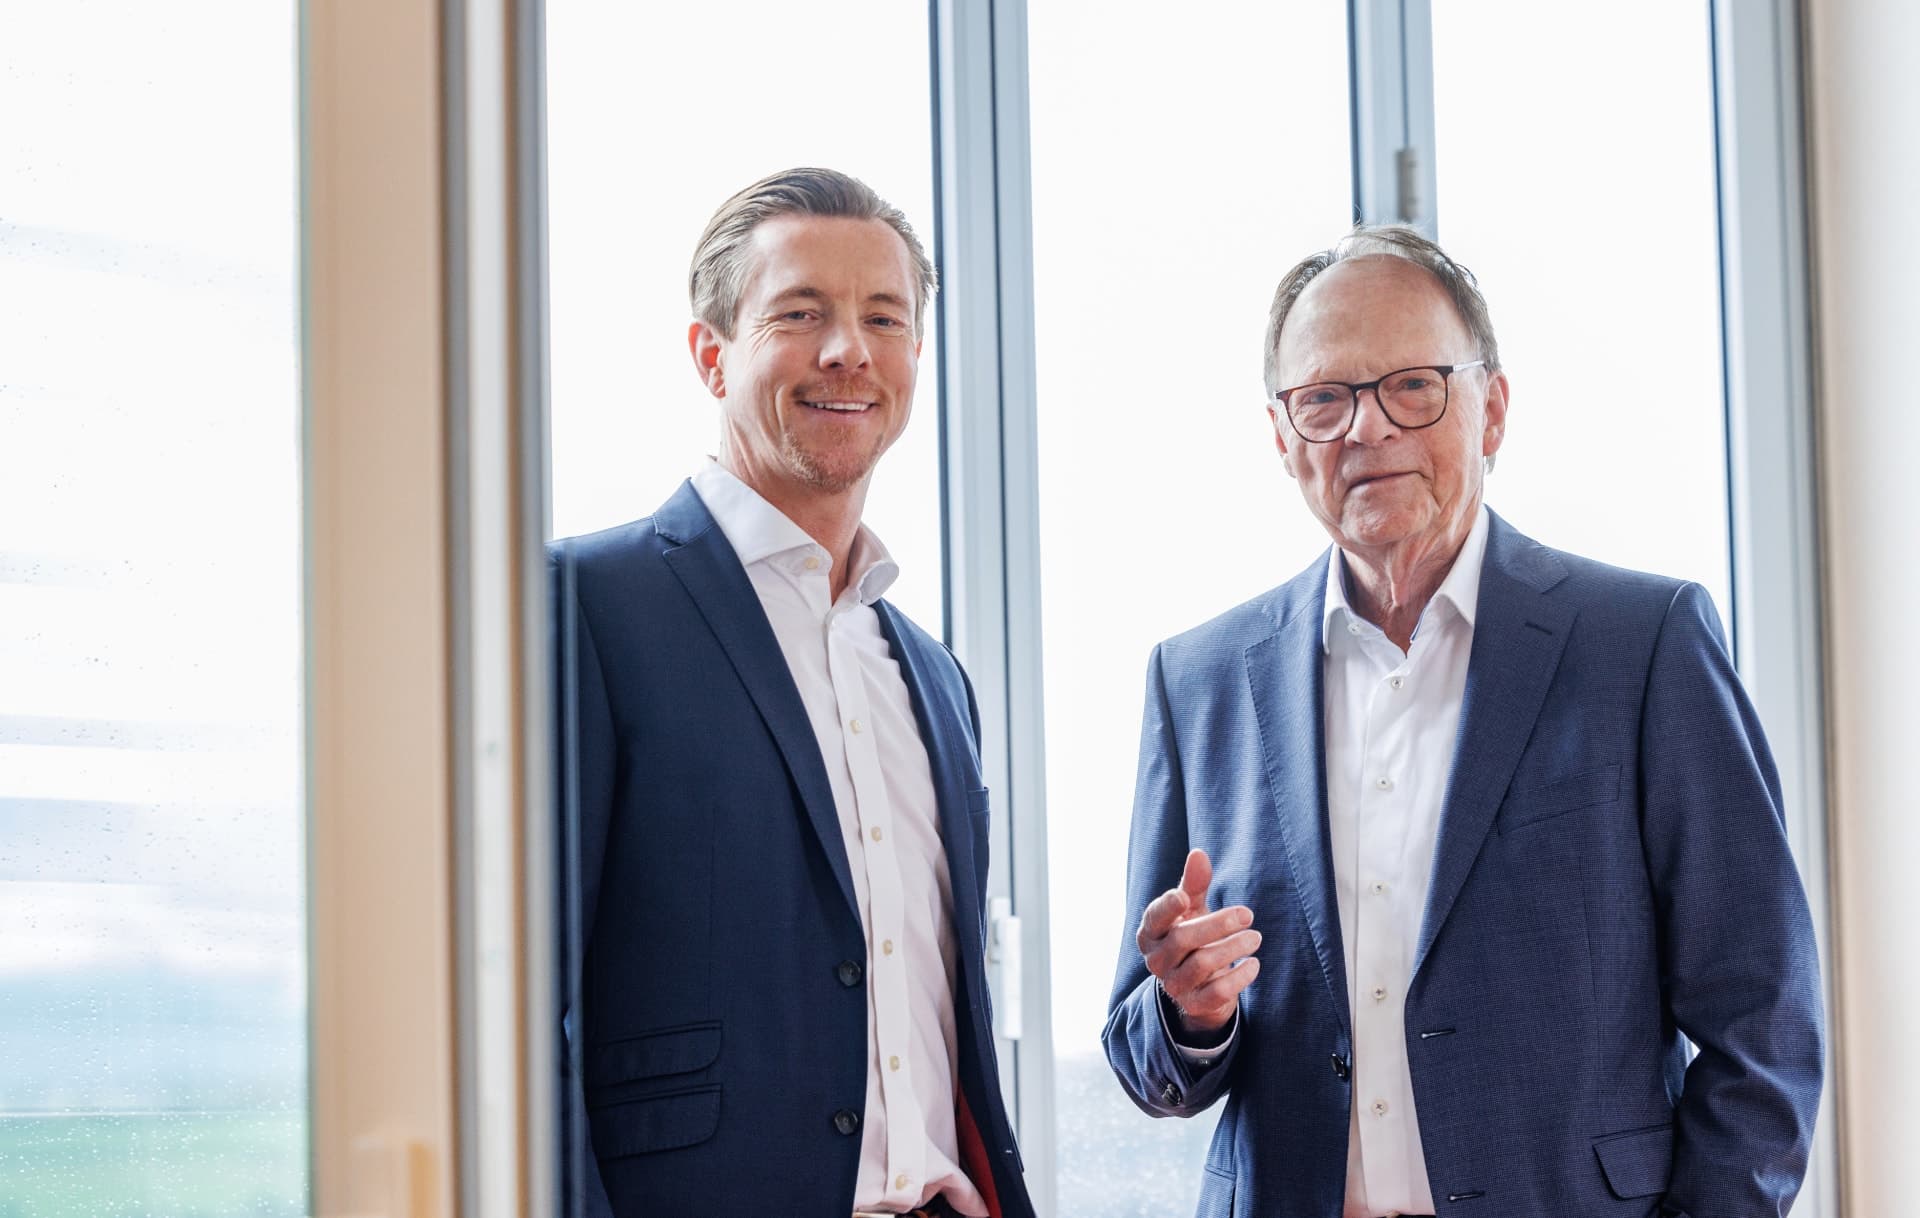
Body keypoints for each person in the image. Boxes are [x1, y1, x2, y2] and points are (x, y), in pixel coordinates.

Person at [1104, 225, 1824, 1217]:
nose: (1366, 429)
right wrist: (1190, 1012)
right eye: (1325, 399)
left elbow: (1767, 1022)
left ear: (1492, 409)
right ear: (1282, 437)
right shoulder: (1200, 680)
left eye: (1413, 385)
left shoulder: (1642, 644)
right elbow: (1149, 1065)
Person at [551, 168, 1032, 1218]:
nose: (847, 350)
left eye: (883, 317)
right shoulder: (583, 606)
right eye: (800, 313)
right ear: (710, 355)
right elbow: (513, 1018)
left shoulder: (934, 676)